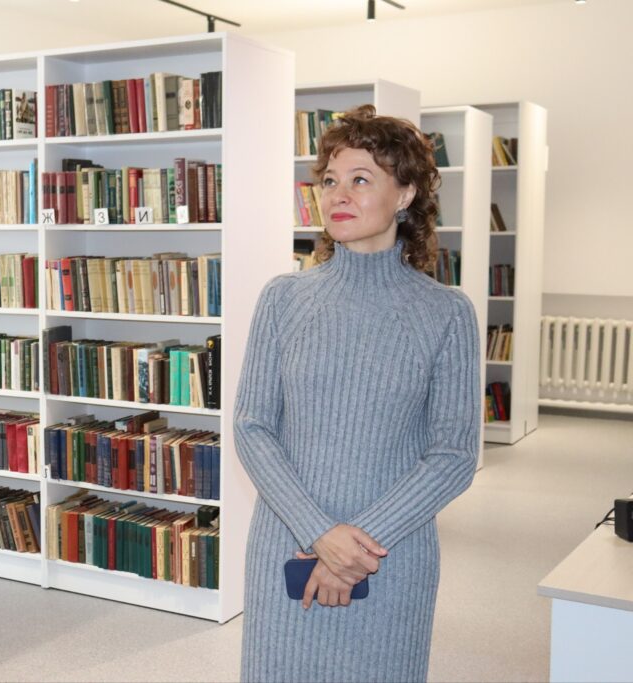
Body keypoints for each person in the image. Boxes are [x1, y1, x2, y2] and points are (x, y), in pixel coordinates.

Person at [235, 105, 480, 682]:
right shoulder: (283, 299)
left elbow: (454, 455)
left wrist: (357, 551)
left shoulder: (447, 313)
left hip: (393, 554)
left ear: (405, 194)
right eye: (329, 180)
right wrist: (321, 535)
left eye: (360, 179)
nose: (337, 195)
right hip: (288, 541)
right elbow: (251, 426)